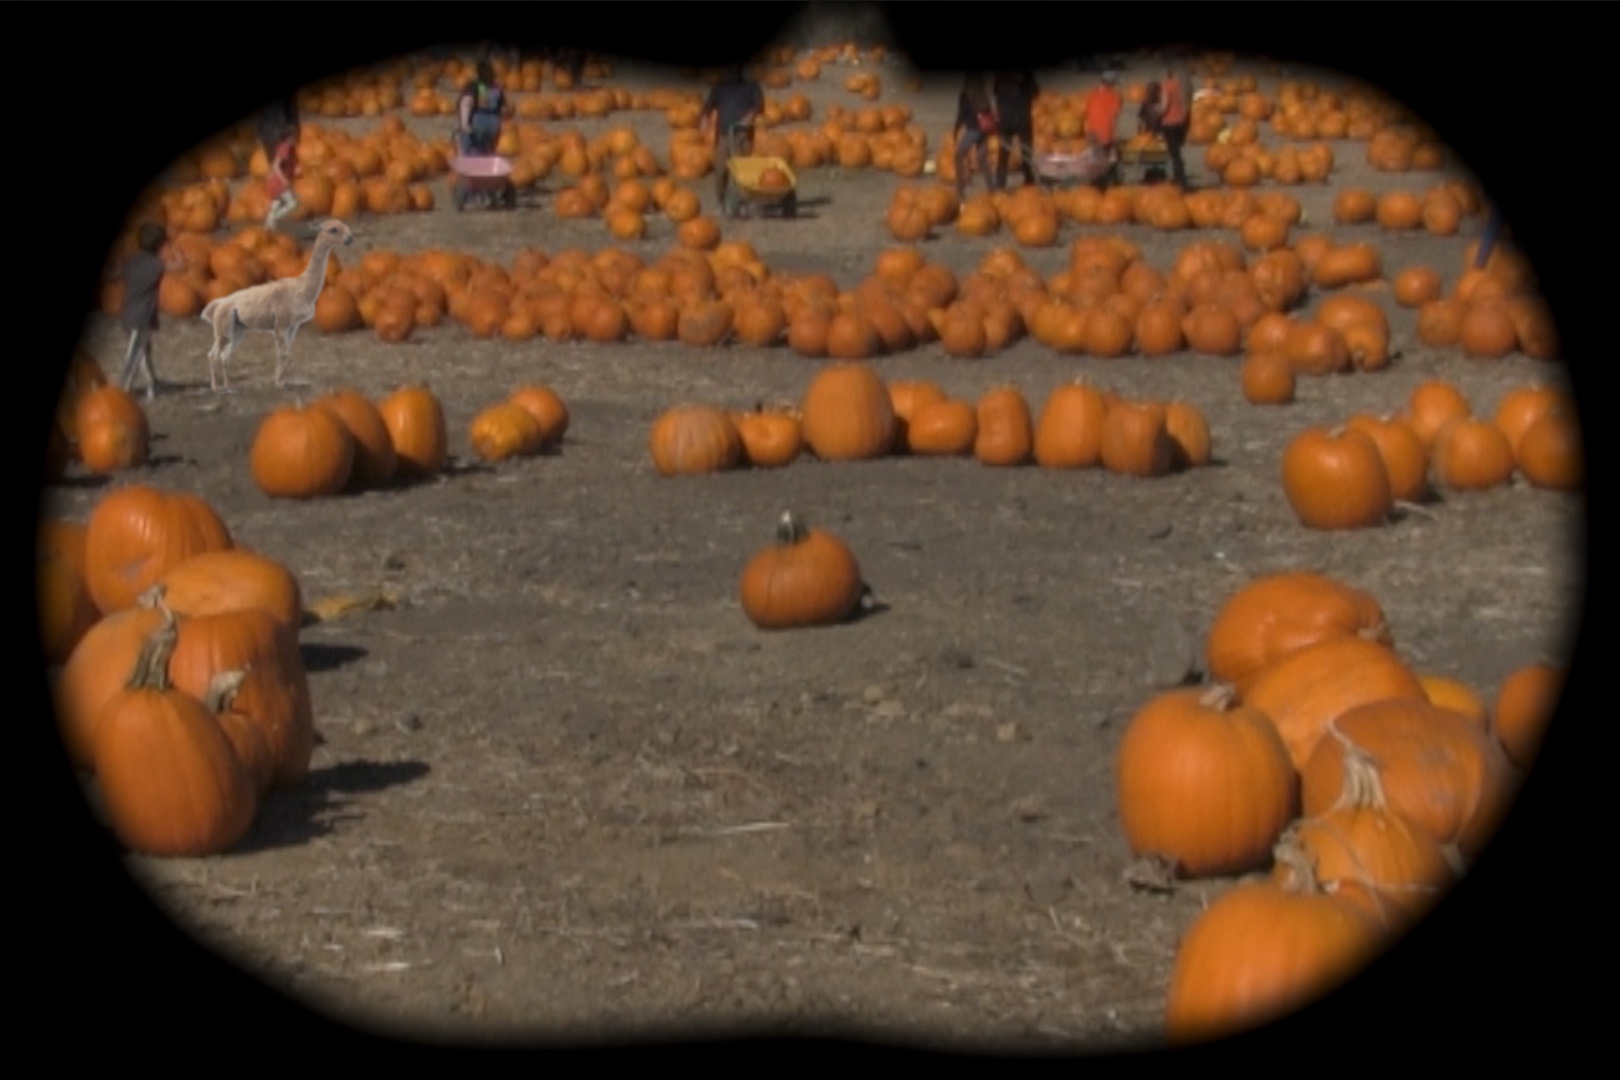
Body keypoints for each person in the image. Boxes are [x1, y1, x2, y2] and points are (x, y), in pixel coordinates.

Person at [114, 222, 184, 399]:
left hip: (128, 312)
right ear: (161, 245)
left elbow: (116, 273)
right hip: (142, 316)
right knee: (136, 353)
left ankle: (152, 384)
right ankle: (124, 387)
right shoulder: (156, 264)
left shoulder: (132, 262)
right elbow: (180, 266)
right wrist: (173, 249)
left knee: (144, 351)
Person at [700, 65, 765, 213]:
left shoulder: (751, 87)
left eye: (734, 70)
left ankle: (745, 202)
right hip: (723, 135)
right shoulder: (719, 89)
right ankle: (721, 201)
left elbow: (758, 106)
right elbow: (708, 106)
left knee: (743, 169)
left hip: (742, 135)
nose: (731, 73)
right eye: (729, 70)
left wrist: (749, 119)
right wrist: (705, 118)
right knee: (721, 169)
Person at [952, 73, 998, 199]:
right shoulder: (983, 95)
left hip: (973, 130)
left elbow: (961, 114)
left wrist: (955, 130)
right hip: (984, 130)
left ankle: (960, 190)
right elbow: (989, 112)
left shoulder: (965, 96)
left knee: (959, 156)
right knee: (982, 158)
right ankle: (991, 188)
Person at [992, 69, 1040, 190]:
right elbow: (1035, 92)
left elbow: (995, 90)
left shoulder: (1001, 74)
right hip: (1022, 117)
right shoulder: (1026, 74)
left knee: (1003, 152)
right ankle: (1029, 181)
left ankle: (1000, 183)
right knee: (1026, 151)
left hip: (1006, 118)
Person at [457, 60, 509, 156]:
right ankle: (487, 162)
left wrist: (464, 124)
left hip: (478, 121)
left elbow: (466, 103)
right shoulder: (496, 88)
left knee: (470, 145)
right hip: (494, 122)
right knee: (488, 149)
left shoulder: (474, 86)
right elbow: (503, 109)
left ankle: (471, 162)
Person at [1083, 70, 1124, 186]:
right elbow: (1113, 118)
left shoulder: (1092, 94)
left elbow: (1087, 114)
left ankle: (1095, 186)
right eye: (1115, 84)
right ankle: (1111, 186)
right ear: (1111, 84)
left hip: (1092, 135)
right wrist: (1115, 138)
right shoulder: (1112, 96)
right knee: (1110, 163)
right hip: (1106, 135)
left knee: (1095, 163)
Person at [1159, 62, 1191, 190]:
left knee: (1174, 153)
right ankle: (1179, 177)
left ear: (1166, 74)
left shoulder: (1166, 86)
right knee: (1177, 152)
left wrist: (1157, 113)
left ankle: (1180, 179)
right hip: (1180, 121)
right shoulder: (1178, 85)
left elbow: (1164, 105)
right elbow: (1184, 102)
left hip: (1169, 122)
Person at [264, 129, 300, 229]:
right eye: (294, 137)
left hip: (277, 180)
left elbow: (290, 164)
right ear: (289, 137)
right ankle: (274, 218)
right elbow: (276, 165)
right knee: (292, 203)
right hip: (278, 182)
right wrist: (284, 180)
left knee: (276, 203)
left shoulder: (290, 148)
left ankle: (268, 228)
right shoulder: (285, 148)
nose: (295, 139)